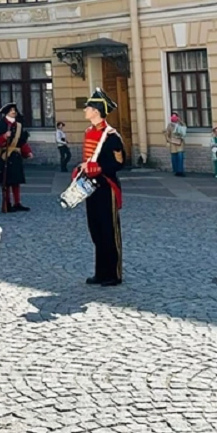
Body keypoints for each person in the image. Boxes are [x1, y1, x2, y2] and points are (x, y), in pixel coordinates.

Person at [74, 89, 125, 286]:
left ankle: (114, 274)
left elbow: (119, 163)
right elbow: (88, 159)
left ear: (96, 110)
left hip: (106, 186)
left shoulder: (111, 136)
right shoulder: (89, 132)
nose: (85, 110)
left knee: (109, 230)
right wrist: (82, 169)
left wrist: (100, 168)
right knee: (95, 229)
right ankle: (101, 272)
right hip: (90, 186)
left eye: (88, 107)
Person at [0, 102, 31, 212]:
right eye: (11, 110)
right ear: (7, 113)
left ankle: (17, 203)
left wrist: (27, 152)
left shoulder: (18, 125)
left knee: (16, 181)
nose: (14, 112)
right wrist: (4, 136)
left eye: (14, 110)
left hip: (16, 156)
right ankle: (7, 203)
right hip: (5, 156)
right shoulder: (1, 124)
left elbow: (22, 141)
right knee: (6, 182)